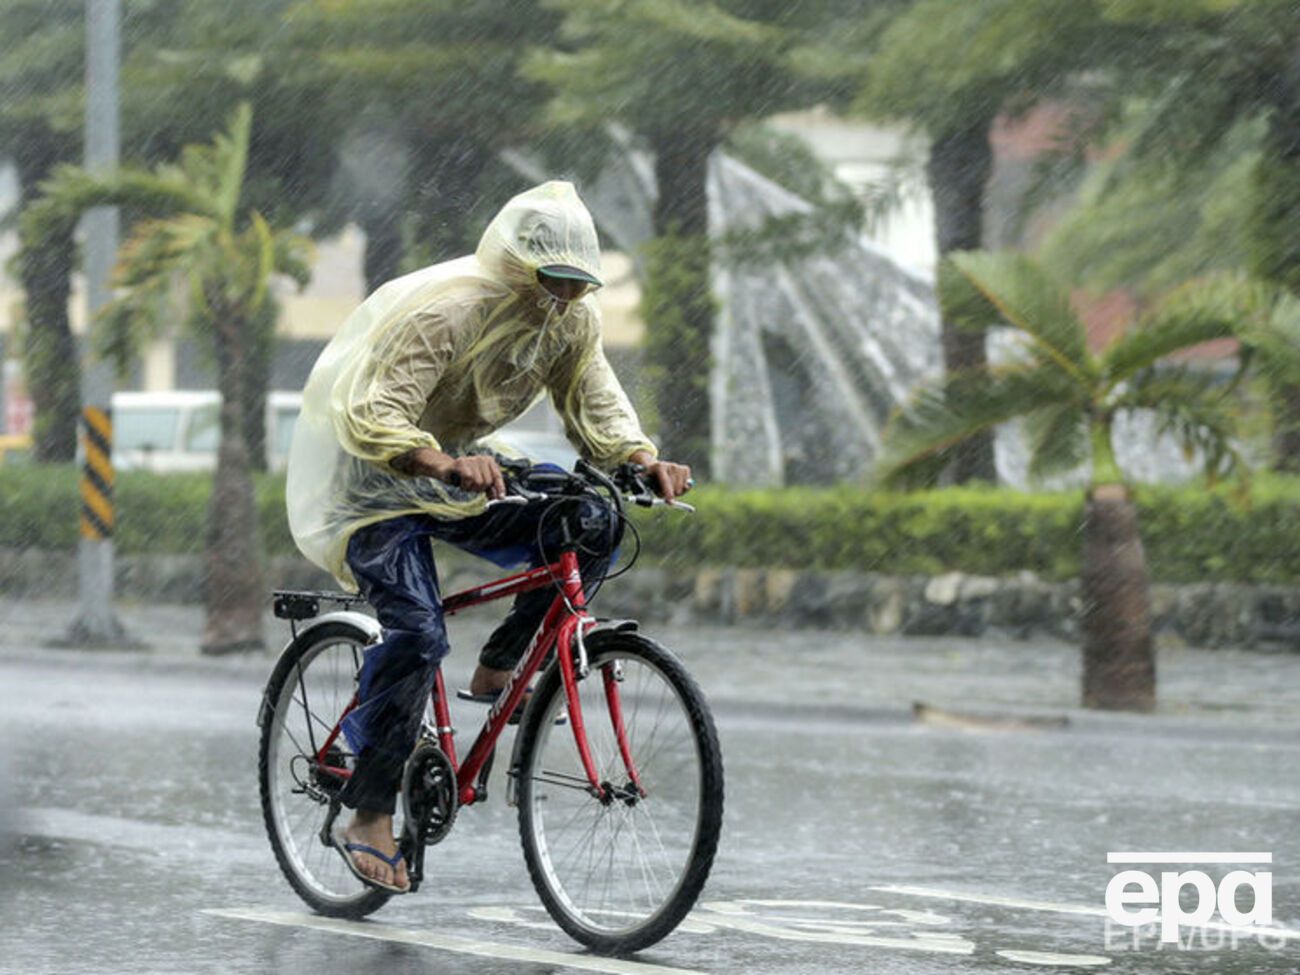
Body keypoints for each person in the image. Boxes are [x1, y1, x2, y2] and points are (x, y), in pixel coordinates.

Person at [285, 180, 692, 893]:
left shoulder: (569, 321)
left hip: (457, 472)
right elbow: (373, 411)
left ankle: (501, 663)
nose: (562, 299)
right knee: (415, 633)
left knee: (589, 520)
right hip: (367, 485)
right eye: (551, 282)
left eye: (575, 285)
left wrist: (638, 458)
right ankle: (370, 812)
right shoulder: (447, 312)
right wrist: (440, 458)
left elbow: (595, 396)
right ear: (516, 269)